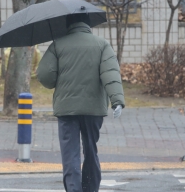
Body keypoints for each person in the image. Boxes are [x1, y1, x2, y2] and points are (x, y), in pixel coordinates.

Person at [37, 13, 125, 192]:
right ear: (87, 24)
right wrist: (117, 101)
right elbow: (111, 75)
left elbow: (46, 78)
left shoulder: (57, 45)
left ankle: (73, 189)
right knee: (91, 151)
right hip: (93, 110)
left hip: (67, 109)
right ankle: (90, 188)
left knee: (70, 154)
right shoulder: (102, 45)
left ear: (68, 24)